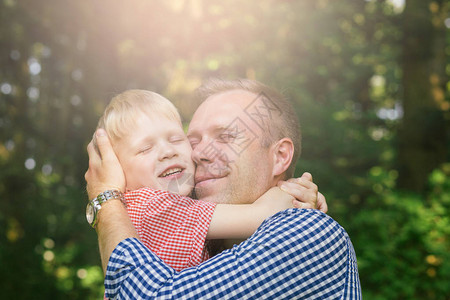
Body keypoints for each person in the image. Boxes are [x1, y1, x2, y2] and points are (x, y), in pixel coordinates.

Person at [85, 78, 361, 299]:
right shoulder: (200, 241)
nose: (198, 154)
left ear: (279, 157)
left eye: (226, 136)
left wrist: (105, 199)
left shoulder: (308, 232)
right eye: (193, 141)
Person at [88, 89, 317, 272]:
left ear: (281, 156)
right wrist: (290, 192)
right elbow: (264, 213)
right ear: (116, 170)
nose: (168, 151)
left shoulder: (142, 210)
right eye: (145, 148)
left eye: (177, 139)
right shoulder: (155, 205)